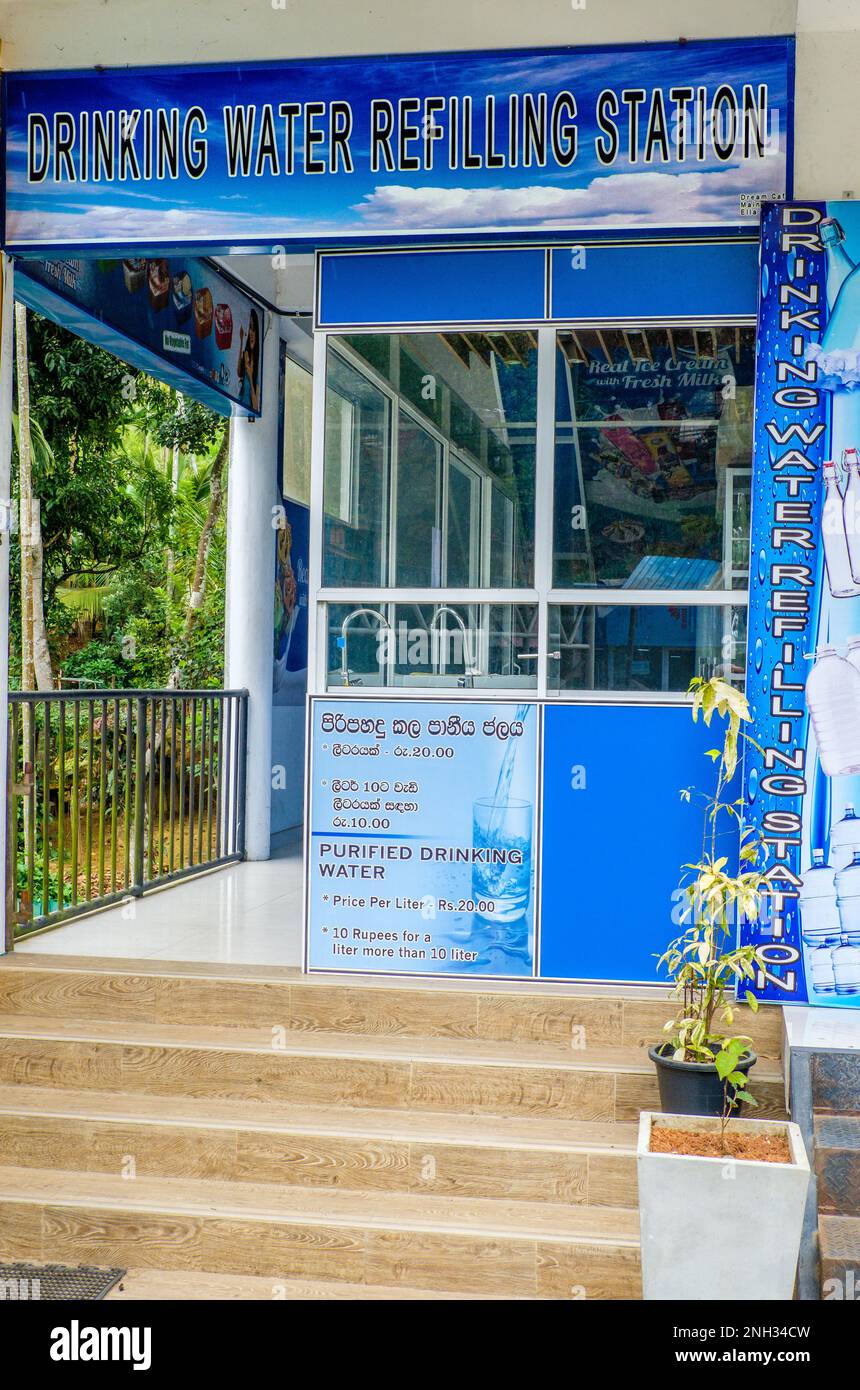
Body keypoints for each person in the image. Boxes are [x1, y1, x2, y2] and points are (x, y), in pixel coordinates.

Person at [237, 308, 261, 411]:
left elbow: (255, 407)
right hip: (240, 404)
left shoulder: (257, 367)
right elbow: (238, 372)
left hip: (246, 408)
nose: (251, 333)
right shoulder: (245, 354)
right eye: (249, 328)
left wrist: (250, 376)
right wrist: (241, 341)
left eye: (253, 329)